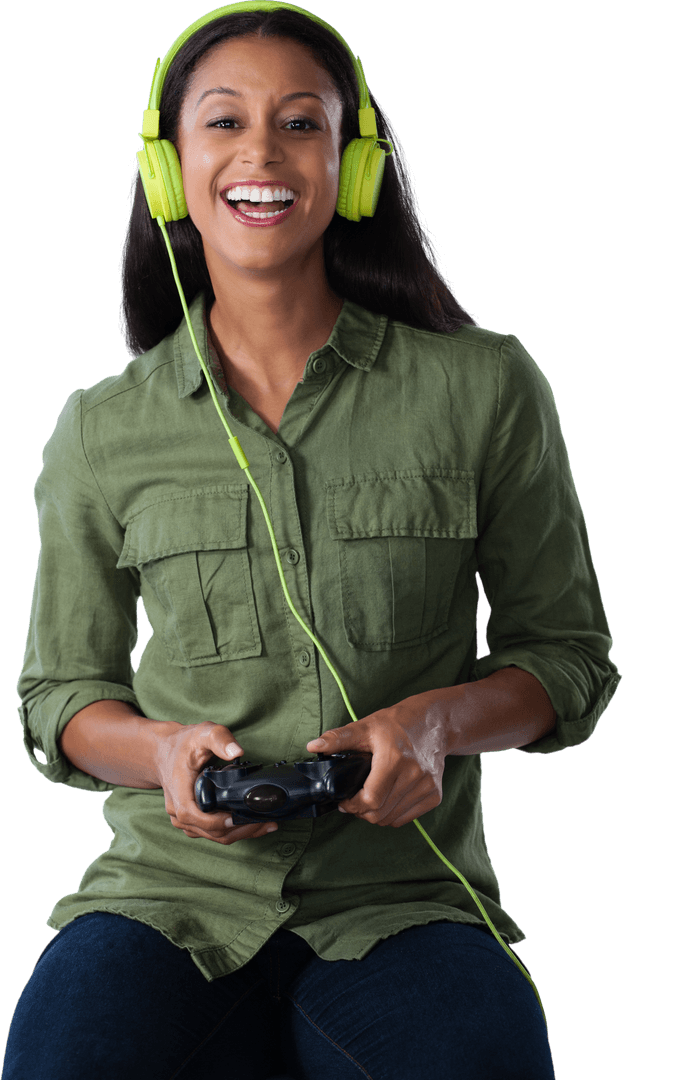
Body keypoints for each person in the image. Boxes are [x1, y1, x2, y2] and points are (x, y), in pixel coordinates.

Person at [4, 3, 620, 1078]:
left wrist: (435, 726)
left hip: (404, 898)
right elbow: (59, 700)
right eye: (222, 123)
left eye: (299, 123)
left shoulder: (483, 387)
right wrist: (159, 752)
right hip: (168, 903)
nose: (260, 154)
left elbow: (563, 661)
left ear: (354, 164)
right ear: (167, 169)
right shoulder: (101, 428)